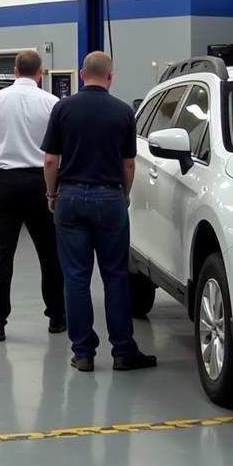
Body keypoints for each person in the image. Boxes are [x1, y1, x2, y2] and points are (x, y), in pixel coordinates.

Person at [42, 51, 157, 374]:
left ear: (81, 74)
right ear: (111, 76)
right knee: (115, 276)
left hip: (71, 198)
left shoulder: (62, 109)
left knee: (76, 278)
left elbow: (51, 160)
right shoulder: (123, 112)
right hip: (110, 199)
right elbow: (129, 164)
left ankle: (83, 353)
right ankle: (122, 351)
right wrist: (124, 194)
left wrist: (52, 194)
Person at [0, 50, 66, 342]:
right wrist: (54, 188)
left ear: (15, 70)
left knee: (1, 255)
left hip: (5, 183)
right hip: (41, 183)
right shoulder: (53, 103)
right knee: (50, 254)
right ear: (41, 72)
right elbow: (59, 151)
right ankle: (57, 316)